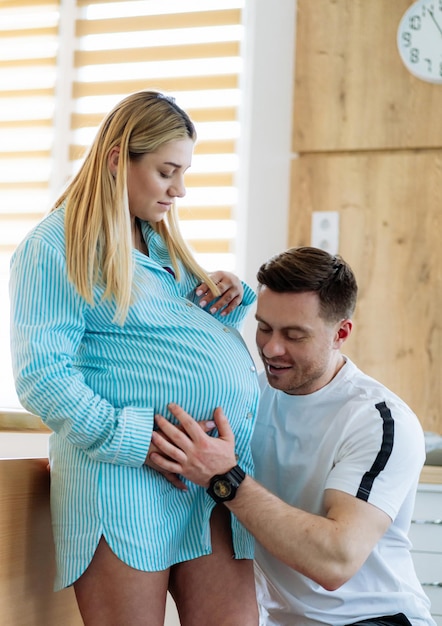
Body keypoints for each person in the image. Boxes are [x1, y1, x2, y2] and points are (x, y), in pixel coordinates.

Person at [9, 90, 260, 625]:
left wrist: (232, 301)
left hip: (202, 479)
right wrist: (136, 440)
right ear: (118, 157)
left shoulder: (158, 243)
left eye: (184, 172)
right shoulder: (53, 247)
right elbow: (42, 377)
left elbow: (171, 343)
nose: (180, 189)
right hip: (122, 479)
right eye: (168, 171)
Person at [150, 246, 435, 626]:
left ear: (341, 333)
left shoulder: (380, 421)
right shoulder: (248, 396)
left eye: (294, 335)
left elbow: (336, 560)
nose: (271, 348)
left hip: (375, 619)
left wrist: (225, 479)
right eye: (264, 327)